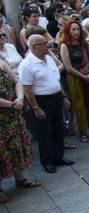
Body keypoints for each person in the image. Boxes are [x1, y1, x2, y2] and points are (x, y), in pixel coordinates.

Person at [18, 34, 74, 173]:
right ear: (34, 47)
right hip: (41, 101)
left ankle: (58, 157)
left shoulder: (48, 59)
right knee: (45, 133)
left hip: (55, 98)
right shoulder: (26, 64)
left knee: (58, 129)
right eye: (44, 43)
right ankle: (47, 161)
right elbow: (27, 89)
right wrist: (36, 108)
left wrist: (64, 97)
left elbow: (56, 80)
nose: (47, 46)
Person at [0, 57, 40, 202]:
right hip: (5, 112)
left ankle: (20, 178)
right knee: (1, 150)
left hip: (12, 113)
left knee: (15, 145)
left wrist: (20, 99)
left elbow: (17, 81)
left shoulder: (1, 61)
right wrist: (11, 104)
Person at [58, 19, 89, 143]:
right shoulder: (64, 45)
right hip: (76, 78)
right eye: (73, 29)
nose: (76, 32)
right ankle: (82, 131)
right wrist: (84, 77)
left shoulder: (84, 43)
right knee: (79, 104)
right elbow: (68, 67)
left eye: (78, 29)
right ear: (68, 31)